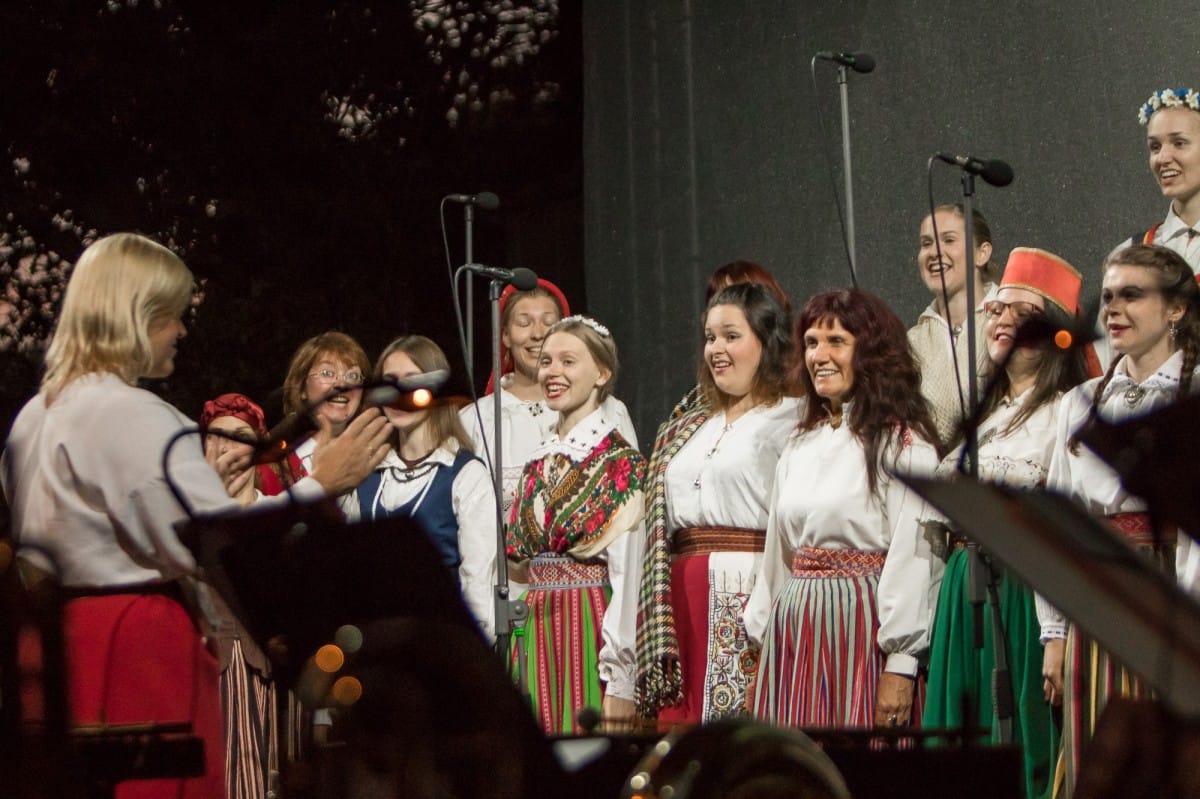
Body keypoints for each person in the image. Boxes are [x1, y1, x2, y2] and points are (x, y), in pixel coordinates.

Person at [1, 233, 390, 798]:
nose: (182, 330)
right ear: (138, 315)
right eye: (173, 315)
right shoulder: (137, 417)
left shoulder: (33, 416)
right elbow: (223, 543)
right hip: (135, 650)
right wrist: (321, 484)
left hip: (51, 654)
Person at [920, 248, 1086, 799]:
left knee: (1020, 739)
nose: (1002, 319)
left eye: (1022, 311)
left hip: (1021, 592)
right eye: (996, 308)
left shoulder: (1065, 412)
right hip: (962, 591)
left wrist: (1056, 633)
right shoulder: (982, 417)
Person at [1042, 243, 1200, 796]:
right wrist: (1054, 633)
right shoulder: (1081, 402)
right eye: (1108, 296)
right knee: (1099, 755)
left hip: (1172, 592)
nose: (1113, 309)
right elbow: (1061, 522)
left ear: (1176, 308)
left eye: (1132, 295)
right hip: (1100, 599)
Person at [745, 288, 941, 729]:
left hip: (860, 629)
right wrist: (763, 649)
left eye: (837, 342)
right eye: (811, 343)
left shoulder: (903, 444)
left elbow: (915, 559)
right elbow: (778, 557)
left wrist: (902, 662)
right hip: (794, 635)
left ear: (870, 353)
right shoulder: (801, 442)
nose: (819, 356)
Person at [636, 282, 800, 725]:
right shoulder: (689, 425)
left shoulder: (792, 419)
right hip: (678, 601)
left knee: (735, 735)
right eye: (710, 337)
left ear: (766, 342)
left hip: (748, 595)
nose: (716, 349)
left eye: (731, 336)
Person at [505, 316, 647, 734]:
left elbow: (628, 577)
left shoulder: (620, 464)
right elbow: (519, 562)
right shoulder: (537, 461)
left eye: (568, 361)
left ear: (601, 373)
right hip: (536, 628)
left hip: (587, 623)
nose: (553, 372)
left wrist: (621, 679)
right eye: (547, 361)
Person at [343, 335, 497, 641]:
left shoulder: (465, 474)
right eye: (390, 382)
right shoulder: (366, 475)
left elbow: (477, 583)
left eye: (412, 381)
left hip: (439, 642)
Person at [458, 280, 638, 522]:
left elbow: (629, 505)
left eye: (549, 322)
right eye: (524, 323)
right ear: (505, 336)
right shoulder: (475, 420)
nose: (538, 333)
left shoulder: (608, 410)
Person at [1091, 88, 1200, 374]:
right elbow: (1108, 356)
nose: (1163, 158)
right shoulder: (1129, 253)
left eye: (1179, 143)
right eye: (1155, 147)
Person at [908, 204, 1002, 448]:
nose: (934, 252)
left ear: (982, 253)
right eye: (926, 243)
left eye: (949, 240)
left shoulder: (1009, 325)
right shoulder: (911, 343)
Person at [668, 260, 792, 420]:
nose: (726, 303)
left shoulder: (793, 408)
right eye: (711, 337)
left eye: (732, 336)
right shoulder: (697, 403)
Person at [281, 331, 373, 488]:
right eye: (327, 373)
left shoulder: (378, 462)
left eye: (352, 376)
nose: (342, 384)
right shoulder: (280, 468)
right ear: (302, 388)